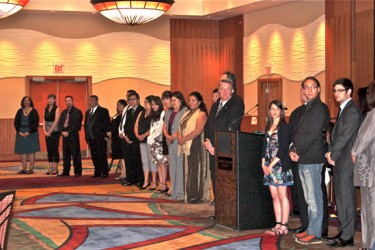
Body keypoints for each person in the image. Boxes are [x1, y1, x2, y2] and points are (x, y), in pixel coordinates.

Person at [289, 76, 330, 245]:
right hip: (304, 158)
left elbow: (312, 134)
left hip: (312, 158)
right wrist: (292, 149)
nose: (309, 90)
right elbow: (297, 133)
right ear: (303, 90)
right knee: (308, 198)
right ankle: (311, 229)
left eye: (313, 87)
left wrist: (298, 151)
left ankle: (315, 232)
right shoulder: (307, 108)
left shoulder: (320, 108)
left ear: (318, 89)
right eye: (306, 87)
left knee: (314, 198)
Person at [325, 78, 362, 247]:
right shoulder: (344, 109)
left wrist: (332, 153)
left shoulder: (352, 111)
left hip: (346, 161)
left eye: (340, 90)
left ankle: (347, 236)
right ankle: (344, 231)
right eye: (334, 90)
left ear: (349, 92)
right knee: (340, 199)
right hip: (340, 160)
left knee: (346, 199)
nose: (336, 93)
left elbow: (345, 136)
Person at [204, 72, 245, 208]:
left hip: (225, 149)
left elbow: (229, 128)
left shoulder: (236, 103)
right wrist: (208, 142)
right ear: (218, 90)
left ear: (232, 90)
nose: (225, 92)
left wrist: (216, 147)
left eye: (228, 89)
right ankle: (219, 209)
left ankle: (227, 210)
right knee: (215, 178)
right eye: (222, 89)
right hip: (212, 148)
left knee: (226, 180)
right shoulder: (216, 105)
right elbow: (208, 124)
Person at [262, 100, 293, 235]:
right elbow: (265, 146)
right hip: (269, 165)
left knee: (282, 195)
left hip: (280, 164)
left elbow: (283, 149)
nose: (274, 111)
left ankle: (284, 225)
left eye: (277, 109)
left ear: (281, 111)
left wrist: (271, 165)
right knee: (274, 196)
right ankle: (277, 223)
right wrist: (263, 163)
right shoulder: (268, 125)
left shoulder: (284, 127)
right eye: (272, 108)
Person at [352, 80, 375, 250]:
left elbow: (364, 139)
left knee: (370, 209)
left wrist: (354, 152)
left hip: (372, 171)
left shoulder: (373, 115)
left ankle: (369, 245)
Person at [178, 91, 210, 203]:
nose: (191, 102)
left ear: (199, 102)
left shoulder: (201, 114)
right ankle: (189, 194)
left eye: (193, 100)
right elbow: (180, 127)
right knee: (188, 170)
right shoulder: (187, 113)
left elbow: (197, 131)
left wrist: (183, 139)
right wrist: (179, 137)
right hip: (186, 145)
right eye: (189, 100)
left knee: (195, 170)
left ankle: (196, 196)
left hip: (196, 146)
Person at [163, 91, 188, 200]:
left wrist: (172, 136)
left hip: (179, 142)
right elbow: (164, 126)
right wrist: (167, 136)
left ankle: (180, 192)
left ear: (180, 101)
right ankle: (174, 191)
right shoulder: (169, 112)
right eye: (171, 100)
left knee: (179, 167)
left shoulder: (185, 111)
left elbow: (184, 127)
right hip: (170, 142)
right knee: (172, 167)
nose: (173, 103)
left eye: (175, 100)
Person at [122, 91, 145, 186]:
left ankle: (140, 180)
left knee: (138, 161)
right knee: (129, 160)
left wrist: (132, 138)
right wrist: (126, 136)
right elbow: (126, 125)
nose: (131, 101)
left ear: (138, 100)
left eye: (133, 99)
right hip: (127, 139)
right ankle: (130, 179)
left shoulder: (142, 110)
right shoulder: (128, 111)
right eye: (129, 100)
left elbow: (140, 126)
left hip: (136, 140)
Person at [84, 95, 111, 178]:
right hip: (91, 137)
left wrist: (106, 135)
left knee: (102, 155)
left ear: (96, 101)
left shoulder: (103, 111)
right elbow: (86, 125)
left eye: (92, 100)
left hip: (100, 137)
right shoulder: (88, 112)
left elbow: (107, 124)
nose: (90, 102)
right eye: (89, 100)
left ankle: (104, 172)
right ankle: (97, 172)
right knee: (94, 155)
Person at [14, 96, 40, 174]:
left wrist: (29, 132)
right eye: (25, 100)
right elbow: (15, 122)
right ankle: (24, 169)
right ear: (23, 102)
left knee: (31, 151)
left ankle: (31, 169)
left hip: (31, 133)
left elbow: (35, 123)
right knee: (23, 151)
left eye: (28, 100)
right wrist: (19, 131)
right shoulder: (19, 111)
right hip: (21, 133)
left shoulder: (34, 111)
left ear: (30, 102)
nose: (27, 102)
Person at [134, 95, 156, 190]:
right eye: (145, 102)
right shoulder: (141, 113)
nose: (145, 104)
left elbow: (153, 128)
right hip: (141, 140)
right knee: (144, 161)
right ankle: (146, 181)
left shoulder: (154, 114)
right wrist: (138, 135)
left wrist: (144, 135)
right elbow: (136, 125)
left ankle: (154, 181)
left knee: (152, 161)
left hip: (150, 140)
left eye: (147, 102)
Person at [58, 95, 83, 177]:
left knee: (75, 154)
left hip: (73, 136)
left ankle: (78, 172)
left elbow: (76, 124)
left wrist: (68, 132)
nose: (68, 102)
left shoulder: (77, 112)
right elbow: (60, 123)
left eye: (70, 100)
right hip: (64, 136)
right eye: (67, 101)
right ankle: (66, 171)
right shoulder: (63, 112)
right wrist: (62, 131)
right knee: (66, 154)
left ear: (73, 101)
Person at [148, 96, 168, 193]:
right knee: (158, 164)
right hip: (153, 142)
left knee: (162, 163)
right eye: (152, 104)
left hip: (159, 141)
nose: (154, 106)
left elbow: (160, 128)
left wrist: (150, 137)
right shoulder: (154, 114)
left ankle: (164, 184)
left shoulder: (163, 113)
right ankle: (161, 183)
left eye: (156, 104)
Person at [108, 99, 127, 180]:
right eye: (117, 105)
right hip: (115, 138)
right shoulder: (117, 114)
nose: (118, 106)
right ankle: (122, 173)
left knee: (122, 157)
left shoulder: (123, 115)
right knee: (120, 156)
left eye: (120, 105)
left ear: (124, 106)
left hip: (120, 138)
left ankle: (124, 173)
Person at [43, 94, 61, 175]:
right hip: (47, 132)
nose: (50, 100)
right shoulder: (45, 109)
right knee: (49, 150)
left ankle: (55, 168)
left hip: (55, 132)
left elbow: (56, 121)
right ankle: (50, 168)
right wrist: (45, 131)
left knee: (54, 149)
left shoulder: (57, 109)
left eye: (52, 99)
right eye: (49, 99)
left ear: (54, 100)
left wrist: (50, 131)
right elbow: (44, 120)